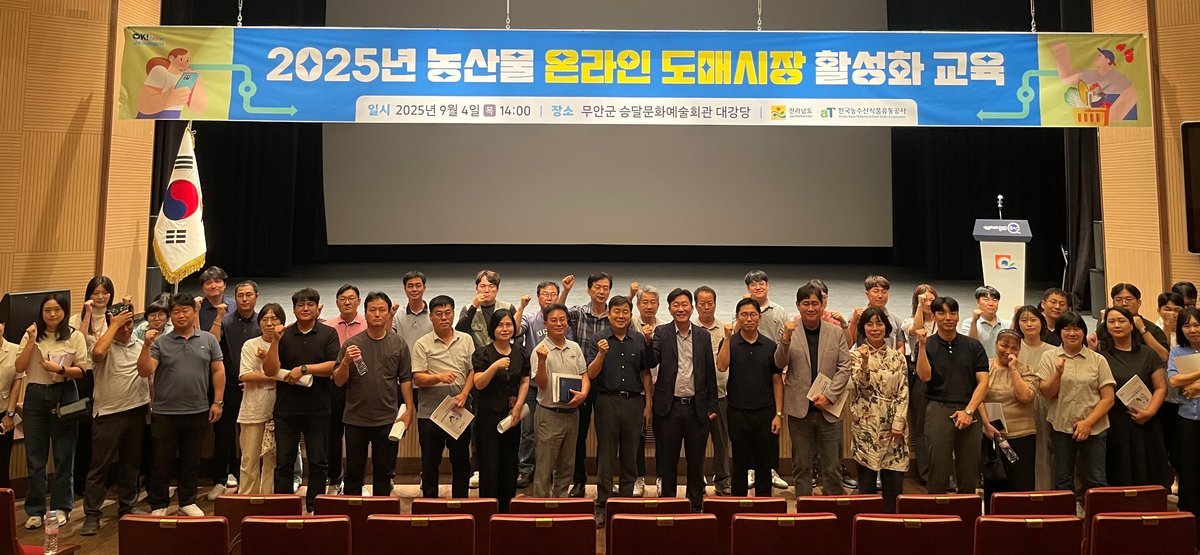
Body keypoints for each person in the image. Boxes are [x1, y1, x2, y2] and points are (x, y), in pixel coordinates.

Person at [138, 293, 225, 517]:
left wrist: (217, 402)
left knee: (191, 460)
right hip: (164, 412)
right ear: (170, 316)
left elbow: (218, 371)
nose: (181, 315)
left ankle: (187, 501)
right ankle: (159, 504)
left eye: (185, 310)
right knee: (161, 462)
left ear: (194, 312)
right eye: (176, 312)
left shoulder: (208, 340)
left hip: (198, 410)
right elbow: (145, 371)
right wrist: (146, 346)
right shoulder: (160, 342)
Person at [263, 288, 339, 513]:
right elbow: (270, 370)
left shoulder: (328, 333)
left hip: (318, 409)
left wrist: (304, 369)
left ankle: (316, 506)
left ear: (317, 308)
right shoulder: (284, 334)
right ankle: (283, 506)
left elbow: (333, 366)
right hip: (286, 410)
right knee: (284, 462)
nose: (305, 308)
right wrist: (274, 342)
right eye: (300, 305)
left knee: (318, 461)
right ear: (294, 309)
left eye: (310, 304)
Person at [15, 293, 88, 528]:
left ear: (64, 311)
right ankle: (35, 510)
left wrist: (60, 370)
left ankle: (61, 507)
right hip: (35, 394)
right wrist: (31, 340)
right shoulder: (31, 334)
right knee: (35, 456)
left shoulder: (74, 336)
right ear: (41, 312)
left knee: (64, 455)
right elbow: (19, 366)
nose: (53, 314)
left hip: (66, 393)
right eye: (48, 310)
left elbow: (83, 370)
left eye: (57, 309)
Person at [333, 292, 415, 497]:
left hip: (387, 419)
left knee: (384, 474)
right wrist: (345, 362)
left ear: (388, 314)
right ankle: (352, 512)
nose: (377, 314)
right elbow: (338, 381)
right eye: (372, 310)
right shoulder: (351, 345)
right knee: (353, 473)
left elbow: (405, 379)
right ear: (365, 313)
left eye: (382, 310)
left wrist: (409, 409)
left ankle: (381, 513)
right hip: (355, 419)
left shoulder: (398, 343)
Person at [776, 284, 852, 496]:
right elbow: (779, 363)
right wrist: (785, 340)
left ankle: (833, 508)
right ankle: (804, 507)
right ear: (798, 305)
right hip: (799, 409)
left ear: (822, 305)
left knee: (832, 466)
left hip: (829, 409)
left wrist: (829, 395)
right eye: (806, 303)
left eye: (815, 303)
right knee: (801, 466)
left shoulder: (835, 332)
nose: (810, 308)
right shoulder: (789, 330)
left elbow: (845, 367)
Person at [81, 306, 150, 535]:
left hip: (136, 410)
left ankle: (128, 507)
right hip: (108, 414)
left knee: (131, 463)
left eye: (130, 323)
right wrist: (114, 325)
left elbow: (147, 372)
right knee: (99, 467)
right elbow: (97, 355)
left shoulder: (139, 344)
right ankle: (92, 515)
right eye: (122, 324)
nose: (127, 329)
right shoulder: (102, 344)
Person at [647, 289, 716, 511]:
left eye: (685, 304)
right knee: (667, 461)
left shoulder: (703, 335)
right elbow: (651, 360)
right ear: (669, 309)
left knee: (696, 461)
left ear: (692, 307)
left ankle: (695, 506)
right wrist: (647, 341)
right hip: (669, 408)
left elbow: (709, 371)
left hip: (696, 408)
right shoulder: (662, 332)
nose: (681, 309)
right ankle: (669, 506)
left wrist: (712, 405)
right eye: (676, 305)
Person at [915, 296, 989, 495]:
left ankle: (967, 512)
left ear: (958, 316)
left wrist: (969, 411)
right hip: (938, 408)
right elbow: (924, 376)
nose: (948, 318)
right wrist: (922, 346)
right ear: (934, 316)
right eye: (942, 313)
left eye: (953, 313)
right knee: (937, 468)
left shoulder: (973, 346)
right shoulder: (927, 344)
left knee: (969, 470)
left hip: (969, 409)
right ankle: (937, 512)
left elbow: (983, 383)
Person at [1037, 312, 1115, 494]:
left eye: (1077, 329)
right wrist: (1057, 373)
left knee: (1097, 479)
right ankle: (1066, 513)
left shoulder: (1098, 359)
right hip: (1061, 427)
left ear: (1083, 332)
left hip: (1095, 428)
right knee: (1063, 479)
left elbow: (1108, 398)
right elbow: (1047, 393)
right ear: (1059, 332)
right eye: (1066, 329)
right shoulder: (1049, 357)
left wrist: (1087, 423)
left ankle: (1096, 513)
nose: (1072, 333)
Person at [589, 296, 651, 522]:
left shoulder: (639, 339)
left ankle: (625, 505)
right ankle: (602, 505)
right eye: (616, 311)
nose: (621, 316)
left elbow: (646, 373)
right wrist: (601, 354)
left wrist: (648, 404)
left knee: (630, 456)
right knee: (606, 456)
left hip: (634, 402)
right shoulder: (598, 339)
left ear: (630, 315)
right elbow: (591, 373)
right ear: (609, 314)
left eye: (625, 311)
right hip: (607, 401)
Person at [1095, 306, 1171, 488]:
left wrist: (1150, 411)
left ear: (1131, 325)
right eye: (1111, 321)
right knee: (1119, 470)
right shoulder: (1100, 357)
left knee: (1148, 469)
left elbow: (1160, 387)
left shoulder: (1148, 354)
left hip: (1146, 420)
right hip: (1115, 422)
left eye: (1121, 321)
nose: (1116, 325)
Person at [716, 298, 784, 497]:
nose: (749, 319)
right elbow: (721, 366)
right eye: (744, 315)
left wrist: (778, 414)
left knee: (765, 464)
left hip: (766, 413)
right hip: (737, 412)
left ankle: (764, 506)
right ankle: (738, 505)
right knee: (739, 463)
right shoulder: (730, 342)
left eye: (753, 314)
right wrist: (727, 338)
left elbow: (777, 381)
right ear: (737, 317)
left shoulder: (770, 346)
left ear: (759, 317)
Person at [412, 295, 475, 498]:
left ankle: (461, 501)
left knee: (461, 459)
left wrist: (465, 394)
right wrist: (438, 377)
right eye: (438, 314)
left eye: (448, 313)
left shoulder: (466, 340)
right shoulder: (422, 344)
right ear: (431, 317)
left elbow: (472, 371)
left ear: (454, 314)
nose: (444, 317)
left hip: (459, 409)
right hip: (430, 413)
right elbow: (418, 378)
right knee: (430, 461)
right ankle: (430, 503)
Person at [557, 273, 613, 498]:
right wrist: (565, 290)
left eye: (605, 288)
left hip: (607, 380)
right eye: (597, 287)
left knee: (608, 436)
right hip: (580, 379)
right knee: (578, 435)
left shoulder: (614, 315)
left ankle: (605, 483)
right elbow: (556, 313)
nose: (601, 291)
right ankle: (579, 481)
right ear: (589, 290)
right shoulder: (579, 313)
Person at [848, 307, 909, 512]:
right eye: (869, 324)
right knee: (866, 483)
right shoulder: (855, 355)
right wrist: (865, 362)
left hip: (894, 425)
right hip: (866, 424)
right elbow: (861, 384)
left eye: (879, 323)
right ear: (863, 328)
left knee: (893, 482)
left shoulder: (898, 357)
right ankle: (866, 523)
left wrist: (898, 423)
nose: (875, 328)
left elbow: (903, 391)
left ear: (886, 327)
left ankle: (892, 522)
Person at [206, 280, 261, 500]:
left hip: (256, 388)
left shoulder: (263, 321)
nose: (245, 299)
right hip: (228, 388)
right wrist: (218, 318)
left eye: (249, 295)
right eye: (240, 295)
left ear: (256, 296)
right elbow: (212, 344)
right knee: (224, 435)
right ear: (234, 298)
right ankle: (220, 481)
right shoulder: (225, 321)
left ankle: (248, 481)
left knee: (252, 438)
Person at [471, 309, 529, 512]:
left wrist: (518, 406)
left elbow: (524, 380)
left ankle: (506, 511)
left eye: (508, 325)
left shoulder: (520, 352)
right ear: (492, 329)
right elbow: (478, 383)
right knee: (489, 464)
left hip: (512, 416)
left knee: (510, 463)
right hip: (488, 416)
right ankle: (488, 511)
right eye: (500, 325)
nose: (505, 329)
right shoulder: (483, 353)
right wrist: (494, 367)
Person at [531, 303, 589, 498]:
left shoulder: (574, 347)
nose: (558, 323)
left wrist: (584, 394)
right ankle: (541, 507)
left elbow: (584, 375)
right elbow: (541, 384)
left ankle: (560, 504)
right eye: (553, 320)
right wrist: (541, 360)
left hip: (572, 414)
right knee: (544, 467)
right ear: (545, 324)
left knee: (566, 466)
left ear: (567, 322)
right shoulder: (539, 350)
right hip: (549, 414)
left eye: (562, 319)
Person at [980, 330, 1040, 511]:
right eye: (1004, 345)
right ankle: (993, 522)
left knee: (1020, 485)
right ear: (996, 345)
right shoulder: (985, 367)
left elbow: (1025, 396)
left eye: (1014, 348)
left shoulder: (1026, 370)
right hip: (993, 434)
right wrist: (986, 423)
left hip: (1021, 436)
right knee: (994, 482)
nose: (1008, 351)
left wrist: (1013, 369)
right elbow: (977, 397)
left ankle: (1020, 522)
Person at [69, 276, 116, 496]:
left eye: (104, 292)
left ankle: (102, 481)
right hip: (82, 377)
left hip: (106, 375)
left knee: (104, 430)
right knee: (83, 430)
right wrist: (87, 314)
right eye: (96, 292)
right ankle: (80, 482)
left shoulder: (113, 317)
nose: (100, 297)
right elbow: (77, 343)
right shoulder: (76, 318)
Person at [515, 280, 561, 489]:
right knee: (528, 430)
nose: (549, 298)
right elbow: (516, 331)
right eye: (545, 294)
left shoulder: (562, 320)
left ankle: (550, 471)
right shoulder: (530, 318)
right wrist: (521, 307)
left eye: (553, 294)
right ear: (538, 297)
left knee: (553, 432)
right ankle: (525, 469)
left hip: (555, 386)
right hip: (532, 386)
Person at [236, 304, 285, 495]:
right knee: (249, 460)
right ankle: (247, 501)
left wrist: (268, 372)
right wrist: (279, 377)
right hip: (253, 410)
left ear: (282, 322)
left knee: (274, 461)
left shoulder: (287, 343)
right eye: (265, 319)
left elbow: (296, 374)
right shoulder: (250, 345)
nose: (270, 323)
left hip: (280, 411)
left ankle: (269, 502)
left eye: (275, 319)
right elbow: (245, 375)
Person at [322, 284, 366, 496]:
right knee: (333, 434)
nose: (347, 302)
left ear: (359, 301)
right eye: (343, 299)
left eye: (351, 298)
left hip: (362, 385)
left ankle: (359, 481)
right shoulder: (328, 326)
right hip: (336, 386)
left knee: (360, 436)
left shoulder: (368, 324)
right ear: (337, 302)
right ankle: (334, 478)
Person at [1166, 307, 1200, 550]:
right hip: (1187, 421)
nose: (1193, 329)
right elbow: (1174, 381)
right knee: (1189, 475)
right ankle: (1191, 534)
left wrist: (1196, 386)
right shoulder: (1178, 351)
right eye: (1187, 325)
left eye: (1197, 324)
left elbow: (1185, 384)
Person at [1012, 306, 1056, 490]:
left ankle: (1045, 491)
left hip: (1046, 405)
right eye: (1024, 320)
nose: (1029, 324)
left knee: (1046, 449)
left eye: (1033, 320)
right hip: (1019, 407)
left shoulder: (1053, 351)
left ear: (1041, 322)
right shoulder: (1013, 350)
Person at [694, 286, 731, 496]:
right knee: (697, 442)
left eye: (710, 303)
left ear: (715, 304)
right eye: (702, 303)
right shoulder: (689, 329)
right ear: (696, 305)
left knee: (722, 442)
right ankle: (697, 480)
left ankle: (723, 480)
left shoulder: (725, 331)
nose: (707, 307)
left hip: (720, 395)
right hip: (696, 397)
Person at [901, 284, 937, 485]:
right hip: (920, 377)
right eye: (923, 300)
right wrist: (921, 307)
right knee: (921, 426)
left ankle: (944, 471)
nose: (928, 303)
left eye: (931, 299)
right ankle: (926, 473)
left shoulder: (943, 322)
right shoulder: (909, 322)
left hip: (942, 375)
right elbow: (915, 329)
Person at [1102, 283, 1169, 362]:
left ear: (1139, 302)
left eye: (1129, 299)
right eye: (1119, 300)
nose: (1124, 303)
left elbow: (1164, 357)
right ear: (1113, 303)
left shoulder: (1152, 328)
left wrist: (1143, 330)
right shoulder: (1107, 326)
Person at [135, 47, 209, 118]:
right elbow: (143, 104)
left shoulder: (186, 77)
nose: (185, 63)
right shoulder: (159, 70)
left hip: (174, 118)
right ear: (171, 59)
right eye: (181, 59)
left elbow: (199, 109)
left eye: (187, 60)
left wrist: (198, 82)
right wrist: (169, 98)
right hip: (149, 119)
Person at [457, 270, 517, 349]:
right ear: (476, 288)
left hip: (502, 353)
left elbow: (518, 334)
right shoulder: (467, 309)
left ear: (497, 289)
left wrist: (515, 350)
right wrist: (473, 307)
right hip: (476, 354)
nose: (487, 290)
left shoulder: (508, 308)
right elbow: (459, 332)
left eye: (491, 286)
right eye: (482, 286)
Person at [847, 275, 906, 353]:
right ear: (867, 294)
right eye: (876, 291)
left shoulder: (896, 319)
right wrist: (854, 321)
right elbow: (848, 344)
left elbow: (901, 346)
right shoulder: (856, 315)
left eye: (884, 292)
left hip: (889, 359)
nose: (880, 296)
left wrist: (896, 359)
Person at [0, 317, 23, 491]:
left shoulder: (15, 350)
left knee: (2, 463)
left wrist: (10, 414)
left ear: (3, 326)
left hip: (3, 414)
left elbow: (17, 383)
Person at [392, 271, 434, 354]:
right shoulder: (397, 314)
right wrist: (390, 316)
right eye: (410, 286)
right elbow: (388, 338)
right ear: (405, 289)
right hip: (403, 361)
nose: (414, 289)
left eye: (418, 286)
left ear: (424, 288)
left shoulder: (433, 314)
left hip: (427, 361)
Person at [961, 286, 1007, 358]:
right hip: (979, 364)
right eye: (986, 300)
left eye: (994, 300)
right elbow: (971, 346)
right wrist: (974, 321)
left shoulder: (1006, 325)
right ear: (977, 302)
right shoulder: (968, 323)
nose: (991, 303)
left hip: (999, 364)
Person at [745, 270, 789, 343]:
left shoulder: (780, 311)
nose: (758, 287)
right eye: (753, 285)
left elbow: (786, 336)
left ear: (767, 285)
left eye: (761, 284)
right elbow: (735, 332)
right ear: (748, 288)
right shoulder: (741, 310)